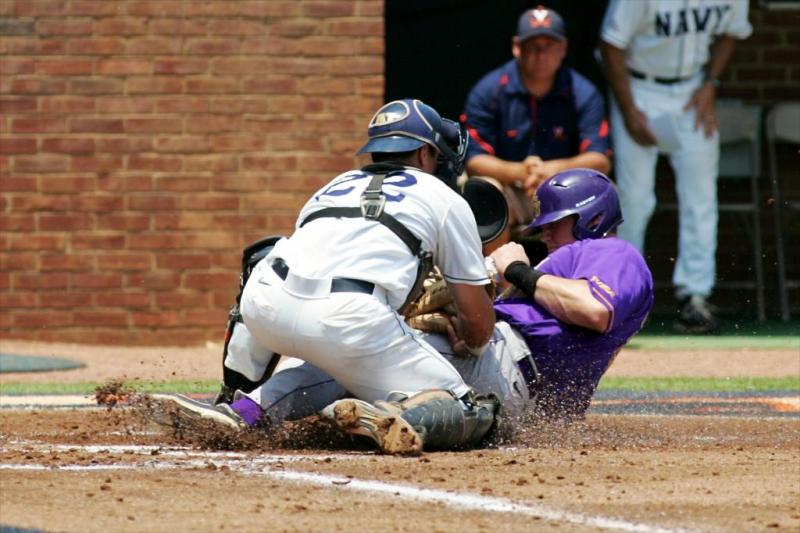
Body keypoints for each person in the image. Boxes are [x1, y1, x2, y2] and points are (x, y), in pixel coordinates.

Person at [154, 99, 501, 455]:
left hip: (264, 305)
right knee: (470, 407)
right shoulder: (443, 197)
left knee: (335, 367)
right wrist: (470, 345)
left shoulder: (334, 184)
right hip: (351, 318)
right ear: (426, 153)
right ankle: (392, 413)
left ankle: (241, 408)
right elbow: (477, 323)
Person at [599, 0, 752, 333]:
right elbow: (610, 44)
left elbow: (734, 31)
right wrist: (628, 109)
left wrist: (710, 83)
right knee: (636, 199)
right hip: (640, 87)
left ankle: (695, 297)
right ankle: (627, 295)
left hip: (692, 90)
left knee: (701, 196)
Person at [462, 5, 611, 243]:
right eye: (532, 46)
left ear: (563, 48)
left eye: (548, 46)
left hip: (565, 189)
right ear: (516, 47)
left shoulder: (583, 92)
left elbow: (599, 159)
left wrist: (551, 171)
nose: (540, 54)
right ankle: (498, 277)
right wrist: (521, 172)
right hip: (511, 188)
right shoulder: (489, 90)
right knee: (483, 189)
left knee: (604, 191)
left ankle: (587, 275)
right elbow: (474, 160)